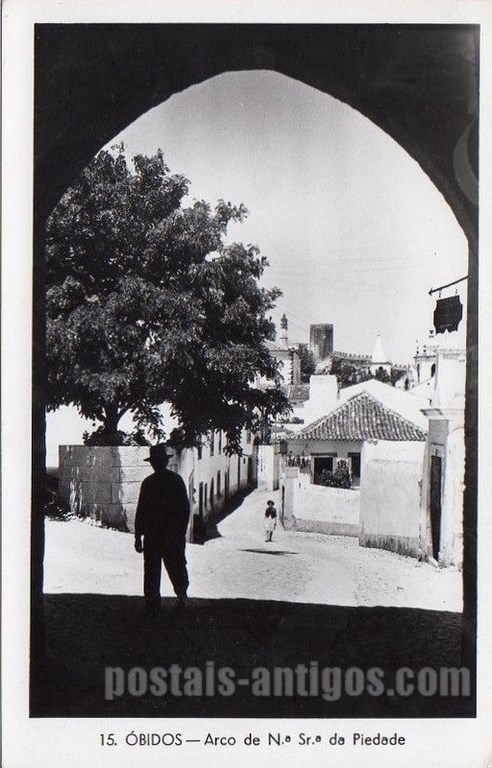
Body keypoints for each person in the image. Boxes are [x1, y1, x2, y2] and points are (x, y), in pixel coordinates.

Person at [134, 444, 190, 615]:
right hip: (164, 534)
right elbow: (142, 510)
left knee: (162, 568)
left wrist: (138, 536)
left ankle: (162, 601)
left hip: (162, 534)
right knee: (172, 567)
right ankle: (176, 598)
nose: (155, 464)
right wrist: (138, 535)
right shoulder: (173, 481)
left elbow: (141, 511)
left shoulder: (151, 483)